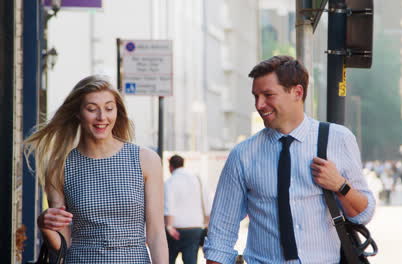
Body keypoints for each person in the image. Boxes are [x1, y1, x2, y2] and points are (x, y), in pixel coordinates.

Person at [203, 56, 375, 263]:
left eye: (268, 95)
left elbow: (363, 213)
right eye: (255, 96)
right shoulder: (243, 155)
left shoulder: (338, 139)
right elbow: (220, 235)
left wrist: (340, 185)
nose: (259, 104)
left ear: (297, 92)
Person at [23, 75, 168, 263]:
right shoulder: (59, 166)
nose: (102, 117)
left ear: (117, 111)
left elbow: (156, 234)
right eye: (92, 109)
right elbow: (62, 245)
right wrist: (45, 225)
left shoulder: (146, 160)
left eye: (109, 108)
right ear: (78, 112)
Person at [164, 154, 210, 264]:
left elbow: (168, 204)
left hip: (175, 229)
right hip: (195, 228)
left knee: (169, 259)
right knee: (191, 260)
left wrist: (169, 226)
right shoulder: (197, 179)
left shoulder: (170, 181)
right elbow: (207, 201)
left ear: (170, 167)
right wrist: (207, 223)